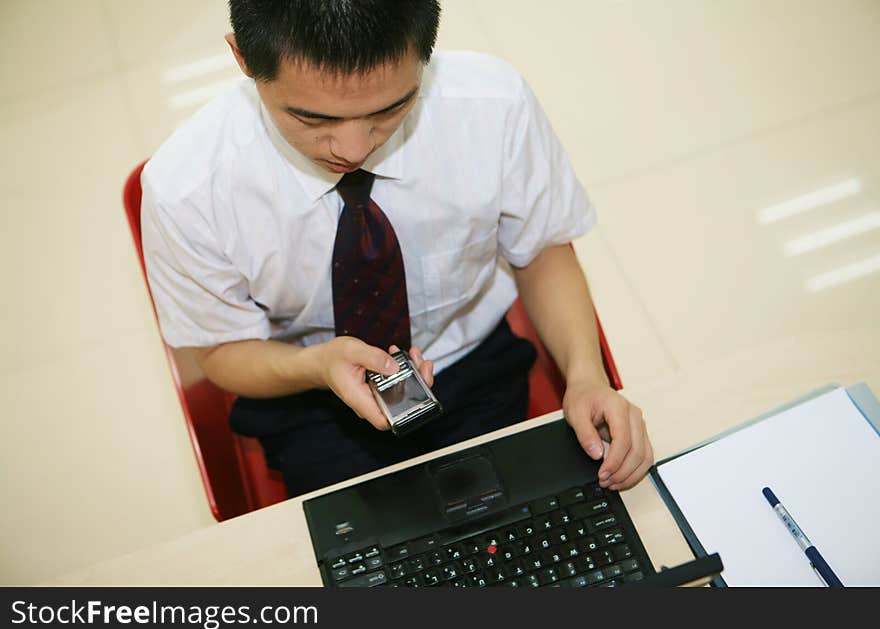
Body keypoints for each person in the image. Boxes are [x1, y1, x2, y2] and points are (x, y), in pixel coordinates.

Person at [141, 0, 653, 498]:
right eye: (314, 121)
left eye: (390, 109)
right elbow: (222, 351)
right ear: (244, 58)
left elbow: (540, 252)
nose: (355, 148)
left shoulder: (493, 108)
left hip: (468, 359)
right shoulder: (188, 190)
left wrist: (586, 376)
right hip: (306, 388)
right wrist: (317, 365)